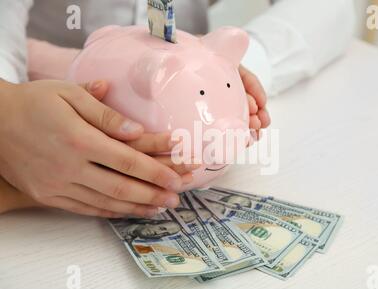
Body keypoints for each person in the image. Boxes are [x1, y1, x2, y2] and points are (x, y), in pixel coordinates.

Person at [0, 0, 354, 218]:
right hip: (31, 91)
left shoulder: (219, 67)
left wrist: (224, 74)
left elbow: (330, 5)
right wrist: (9, 111)